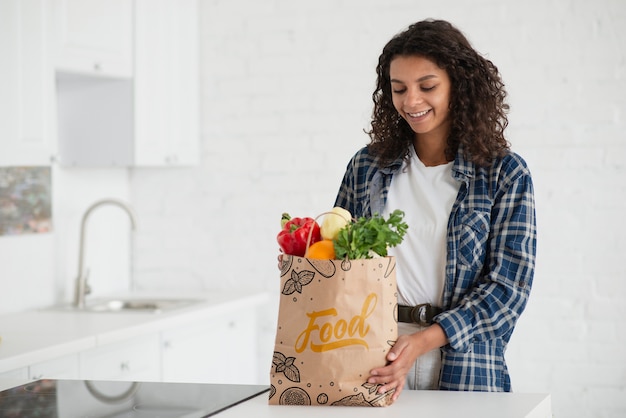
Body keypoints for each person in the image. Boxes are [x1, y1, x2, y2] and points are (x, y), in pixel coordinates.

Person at [333, 19, 536, 400]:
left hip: (465, 362)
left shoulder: (504, 173)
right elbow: (341, 256)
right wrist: (310, 262)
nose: (411, 101)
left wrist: (424, 341)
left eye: (427, 86)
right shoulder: (366, 167)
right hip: (372, 356)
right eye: (399, 89)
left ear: (459, 85)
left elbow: (508, 289)